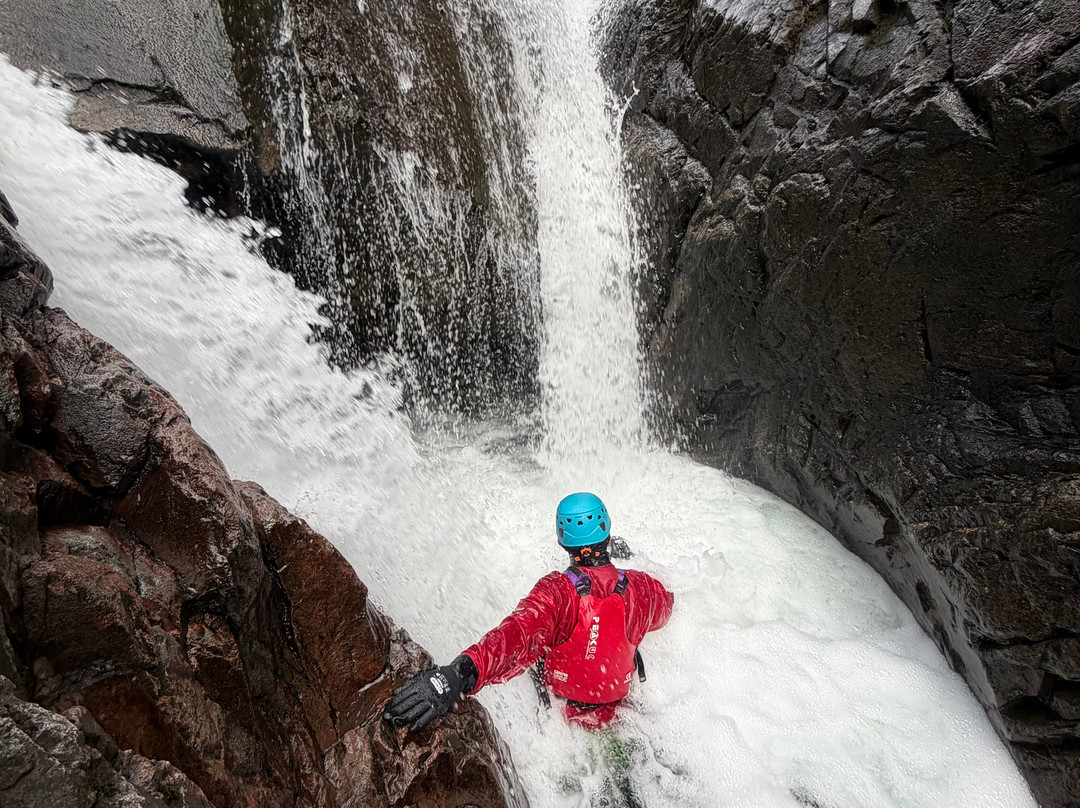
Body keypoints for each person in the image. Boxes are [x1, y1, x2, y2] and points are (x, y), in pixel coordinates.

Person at [383, 492, 674, 732]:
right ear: (607, 531)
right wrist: (627, 560)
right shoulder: (642, 588)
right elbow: (667, 605)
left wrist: (458, 675)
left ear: (561, 540)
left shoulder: (556, 592)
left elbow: (514, 636)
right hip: (621, 717)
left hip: (562, 721)